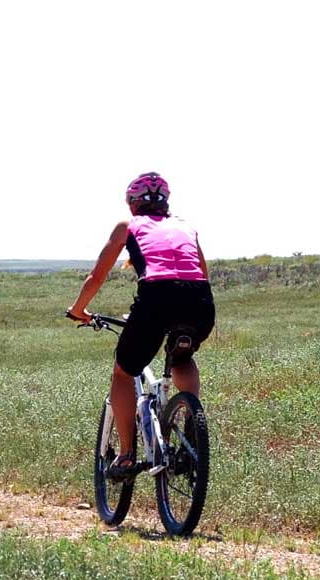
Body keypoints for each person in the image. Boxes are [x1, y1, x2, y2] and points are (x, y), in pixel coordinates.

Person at [66, 172, 215, 481]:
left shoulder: (128, 226)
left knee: (124, 372)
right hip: (200, 301)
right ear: (166, 202)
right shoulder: (185, 226)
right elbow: (202, 271)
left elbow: (97, 276)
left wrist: (78, 310)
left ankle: (125, 455)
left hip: (156, 300)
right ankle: (191, 427)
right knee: (182, 357)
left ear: (132, 203)